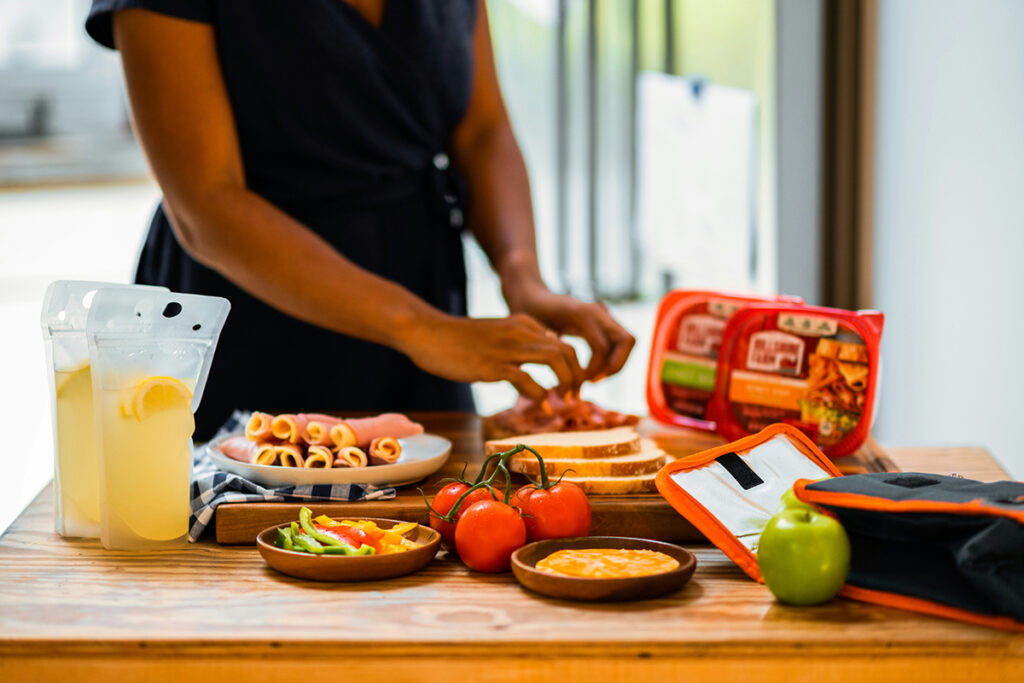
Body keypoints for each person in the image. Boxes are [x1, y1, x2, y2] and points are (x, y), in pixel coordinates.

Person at [85, 0, 634, 439]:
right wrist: (420, 327)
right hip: (245, 319)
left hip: (420, 316)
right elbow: (205, 202)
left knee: (430, 545)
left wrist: (523, 277)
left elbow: (481, 131)